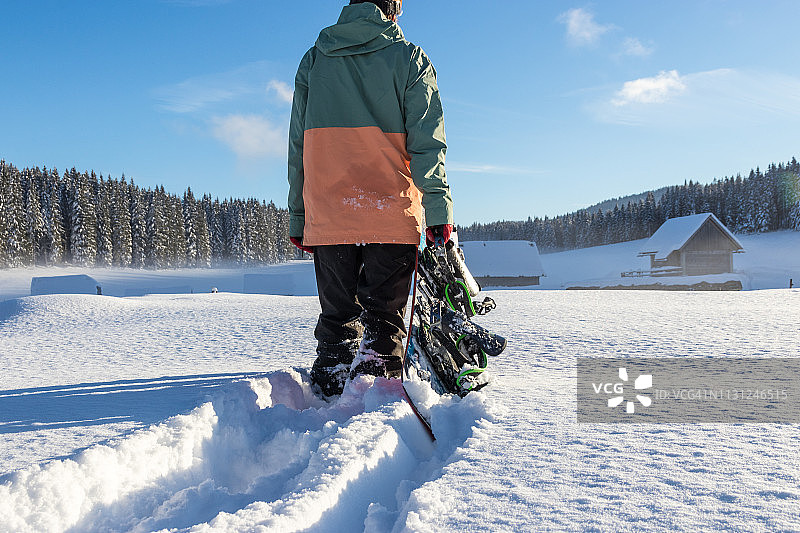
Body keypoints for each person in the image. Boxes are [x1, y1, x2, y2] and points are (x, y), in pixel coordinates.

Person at [287, 0, 453, 397]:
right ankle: (376, 405)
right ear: (392, 9)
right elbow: (428, 144)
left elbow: (298, 146)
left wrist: (299, 215)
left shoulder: (314, 61)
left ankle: (329, 390)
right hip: (390, 211)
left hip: (329, 212)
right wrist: (438, 209)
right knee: (384, 324)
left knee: (338, 324)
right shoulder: (410, 59)